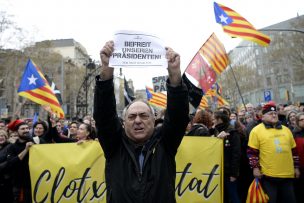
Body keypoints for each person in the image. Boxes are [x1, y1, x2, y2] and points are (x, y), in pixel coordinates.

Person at [94, 41, 189, 203]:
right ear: (123, 122)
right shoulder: (114, 145)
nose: (137, 120)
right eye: (131, 117)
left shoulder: (165, 143)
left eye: (144, 116)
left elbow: (178, 116)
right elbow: (104, 115)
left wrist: (174, 75)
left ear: (154, 119)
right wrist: (106, 70)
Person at [247, 101, 300, 203]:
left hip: (288, 175)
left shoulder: (286, 130)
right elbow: (252, 152)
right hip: (269, 176)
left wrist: (296, 167)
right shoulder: (256, 131)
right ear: (263, 117)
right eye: (270, 114)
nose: (274, 115)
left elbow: (294, 151)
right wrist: (255, 168)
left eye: (275, 113)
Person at [209, 109, 241, 203]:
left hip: (228, 172)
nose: (212, 121)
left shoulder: (232, 133)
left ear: (220, 119)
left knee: (233, 196)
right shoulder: (214, 131)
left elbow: (236, 154)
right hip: (217, 170)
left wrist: (234, 174)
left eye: (214, 119)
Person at [5, 119, 34, 203]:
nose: (26, 130)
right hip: (19, 185)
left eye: (27, 128)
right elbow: (11, 163)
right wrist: (26, 150)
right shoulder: (11, 147)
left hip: (33, 182)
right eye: (23, 129)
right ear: (17, 132)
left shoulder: (35, 142)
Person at [292, 112, 304, 203]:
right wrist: (296, 168)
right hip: (300, 167)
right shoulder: (294, 134)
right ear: (297, 121)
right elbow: (293, 152)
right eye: (301, 120)